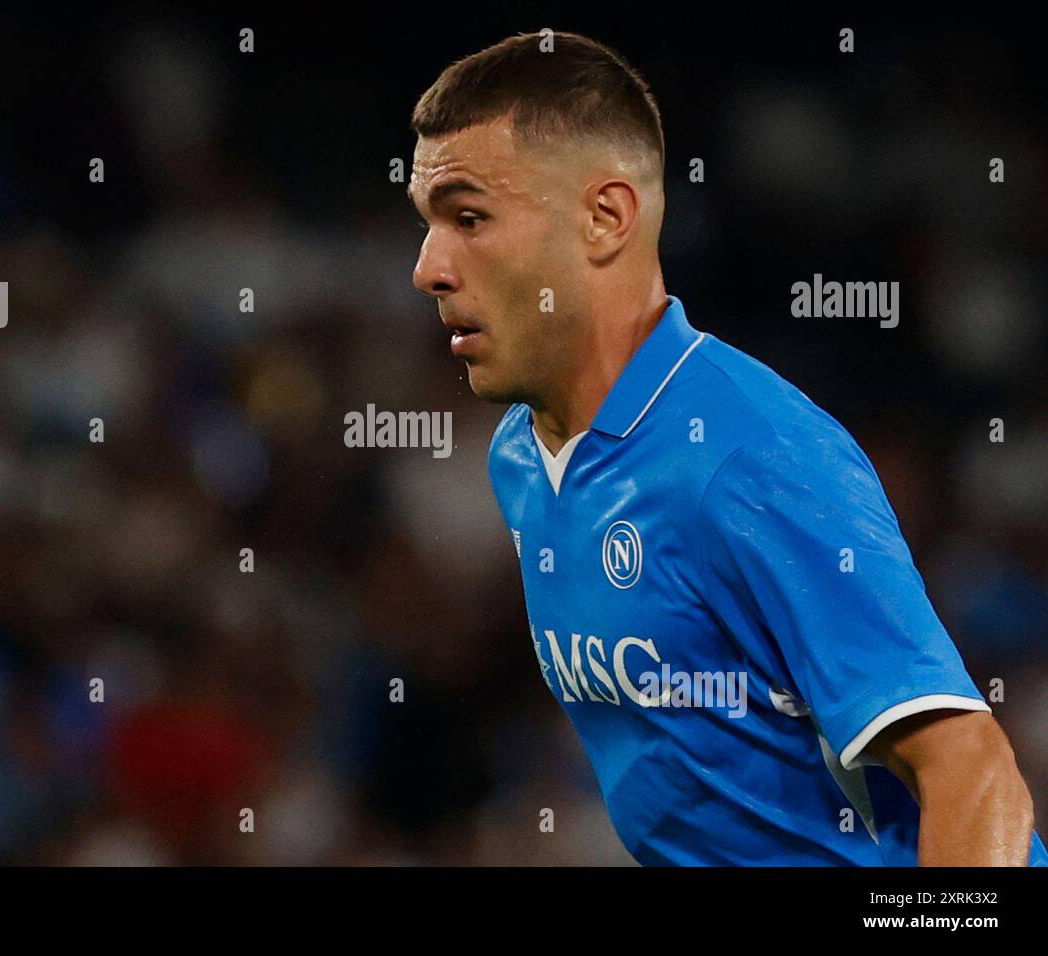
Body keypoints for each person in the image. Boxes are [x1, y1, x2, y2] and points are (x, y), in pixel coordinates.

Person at [407, 30, 1046, 865]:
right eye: (428, 224)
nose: (427, 268)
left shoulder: (752, 459)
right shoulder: (521, 456)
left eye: (469, 218)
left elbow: (971, 769)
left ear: (605, 219)